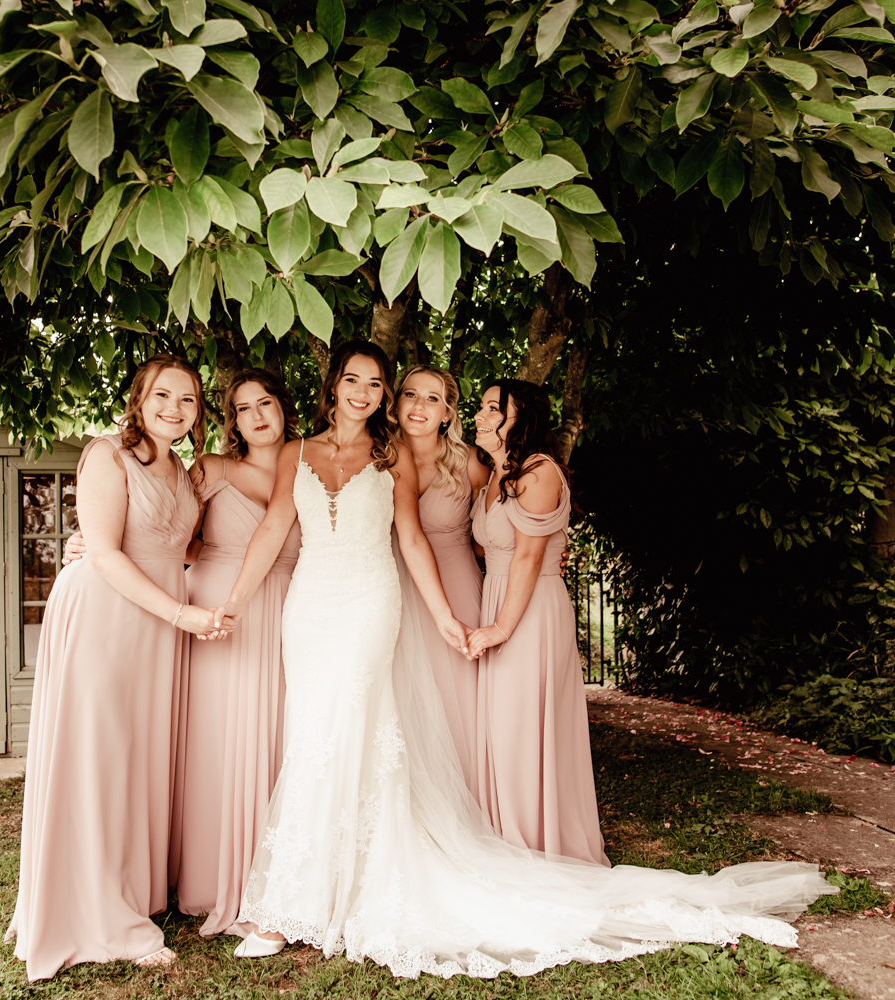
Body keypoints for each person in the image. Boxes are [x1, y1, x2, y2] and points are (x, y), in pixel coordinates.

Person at [213, 341, 835, 978]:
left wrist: (446, 616)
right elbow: (272, 529)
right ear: (335, 386)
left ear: (383, 395)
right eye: (354, 380)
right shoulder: (298, 452)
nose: (364, 393)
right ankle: (307, 890)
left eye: (376, 383)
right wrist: (231, 603)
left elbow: (413, 539)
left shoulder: (390, 455)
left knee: (351, 729)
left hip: (373, 605)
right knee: (313, 734)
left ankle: (300, 905)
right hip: (310, 610)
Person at [7, 355, 225, 981]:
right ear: (139, 397)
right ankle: (97, 912)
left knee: (136, 756)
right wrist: (181, 615)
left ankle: (128, 888)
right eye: (163, 395)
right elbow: (102, 549)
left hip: (154, 624)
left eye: (188, 401)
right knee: (98, 753)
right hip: (108, 615)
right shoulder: (107, 453)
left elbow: (177, 546)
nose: (174, 410)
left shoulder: (185, 471)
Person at [171, 369, 303, 937]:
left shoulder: (315, 467)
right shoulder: (212, 469)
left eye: (265, 402)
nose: (256, 415)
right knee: (217, 738)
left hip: (289, 613)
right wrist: (89, 542)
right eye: (243, 407)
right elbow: (170, 533)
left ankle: (274, 877)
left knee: (278, 739)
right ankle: (208, 876)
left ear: (283, 407)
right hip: (216, 609)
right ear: (232, 420)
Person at [467, 379, 608, 865]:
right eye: (481, 407)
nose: (481, 416)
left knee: (523, 727)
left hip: (529, 611)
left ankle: (535, 847)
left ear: (520, 416)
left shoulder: (539, 471)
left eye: (492, 408)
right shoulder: (493, 474)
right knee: (502, 729)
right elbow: (491, 547)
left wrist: (501, 628)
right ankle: (506, 842)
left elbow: (528, 557)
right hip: (499, 598)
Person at [393, 365, 487, 796]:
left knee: (459, 695)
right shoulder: (375, 456)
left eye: (433, 399)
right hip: (393, 587)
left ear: (448, 413)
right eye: (411, 394)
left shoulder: (468, 462)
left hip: (456, 583)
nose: (419, 406)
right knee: (400, 695)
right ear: (396, 404)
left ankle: (471, 796)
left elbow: (501, 522)